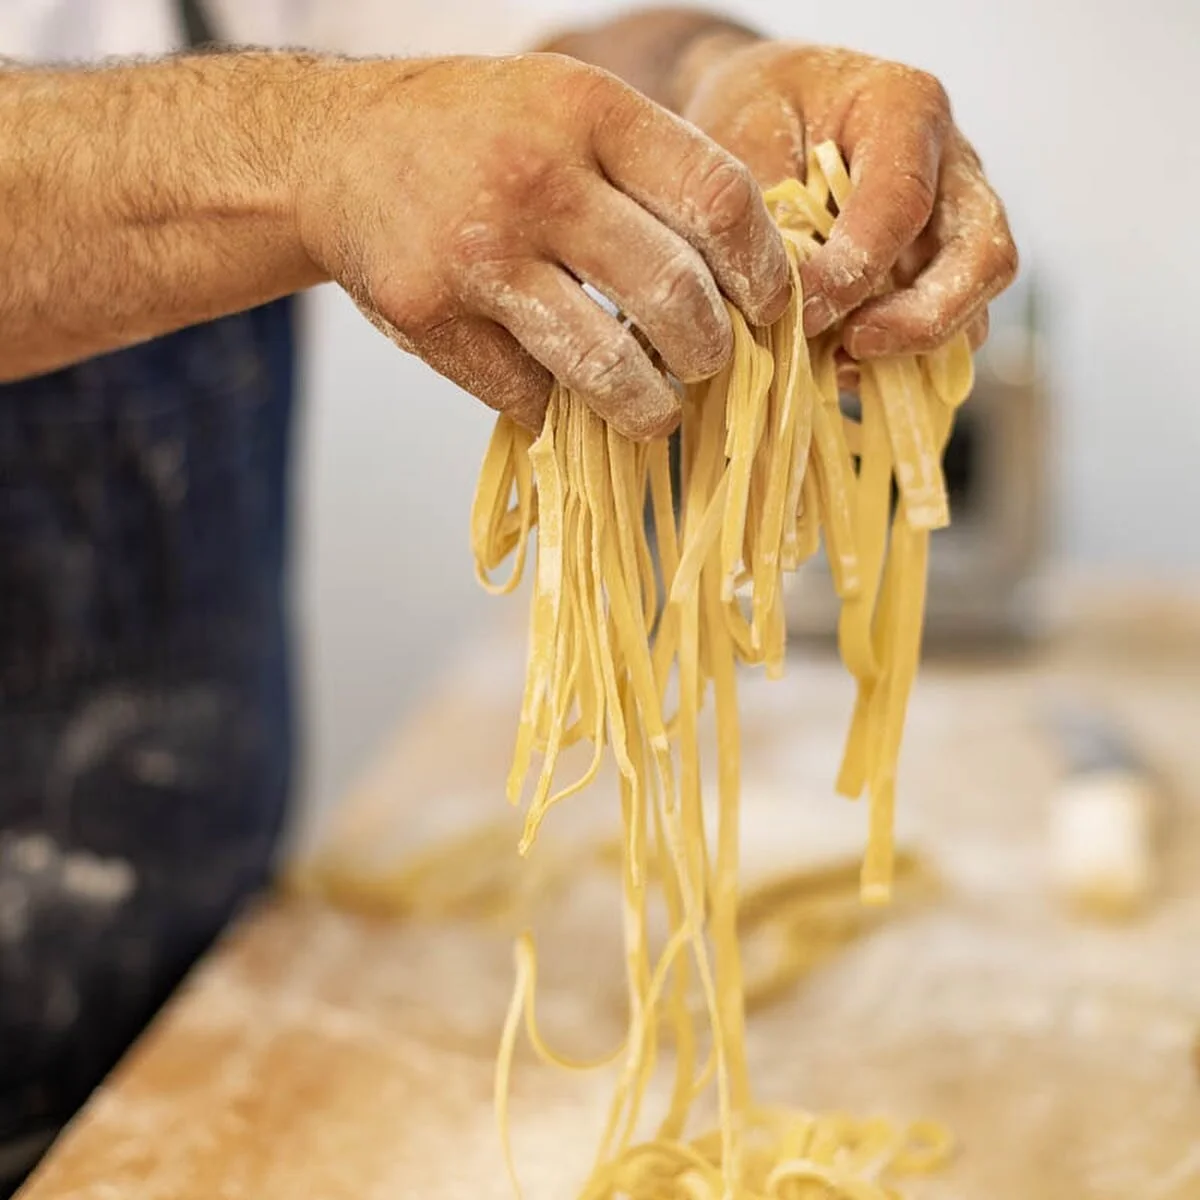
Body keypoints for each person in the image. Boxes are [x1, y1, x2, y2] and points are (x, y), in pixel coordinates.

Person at [0, 1, 1017, 1189]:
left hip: (200, 1001)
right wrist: (321, 142)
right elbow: (323, 118)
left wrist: (705, 73)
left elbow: (454, 102)